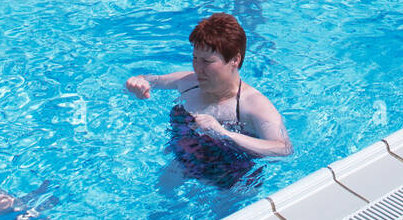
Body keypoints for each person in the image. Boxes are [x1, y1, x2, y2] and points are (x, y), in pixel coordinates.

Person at [125, 14, 292, 185]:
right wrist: (138, 83)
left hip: (233, 178)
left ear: (235, 60)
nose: (198, 68)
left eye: (207, 61)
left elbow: (284, 148)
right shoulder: (188, 82)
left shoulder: (254, 105)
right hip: (186, 162)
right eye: (195, 58)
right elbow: (148, 80)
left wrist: (224, 133)